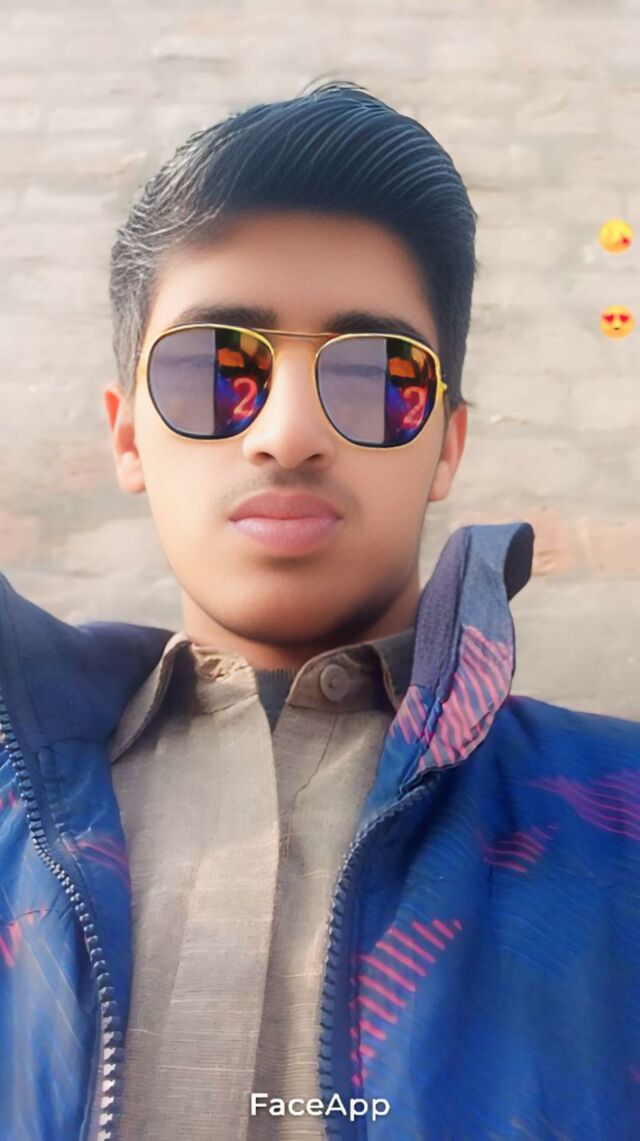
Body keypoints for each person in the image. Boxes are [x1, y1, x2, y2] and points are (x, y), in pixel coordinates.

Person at [0, 80, 638, 1141]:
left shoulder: (619, 829)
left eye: (379, 377)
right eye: (213, 370)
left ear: (447, 444)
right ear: (127, 436)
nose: (289, 431)